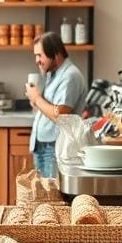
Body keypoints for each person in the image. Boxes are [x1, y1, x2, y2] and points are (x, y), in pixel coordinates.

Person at [25, 32, 86, 178]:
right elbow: (49, 109)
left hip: (55, 147)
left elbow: (61, 115)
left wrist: (37, 98)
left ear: (56, 53)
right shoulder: (52, 74)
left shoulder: (70, 76)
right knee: (43, 195)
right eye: (35, 55)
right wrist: (35, 100)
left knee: (52, 197)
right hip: (43, 145)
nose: (37, 60)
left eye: (40, 55)